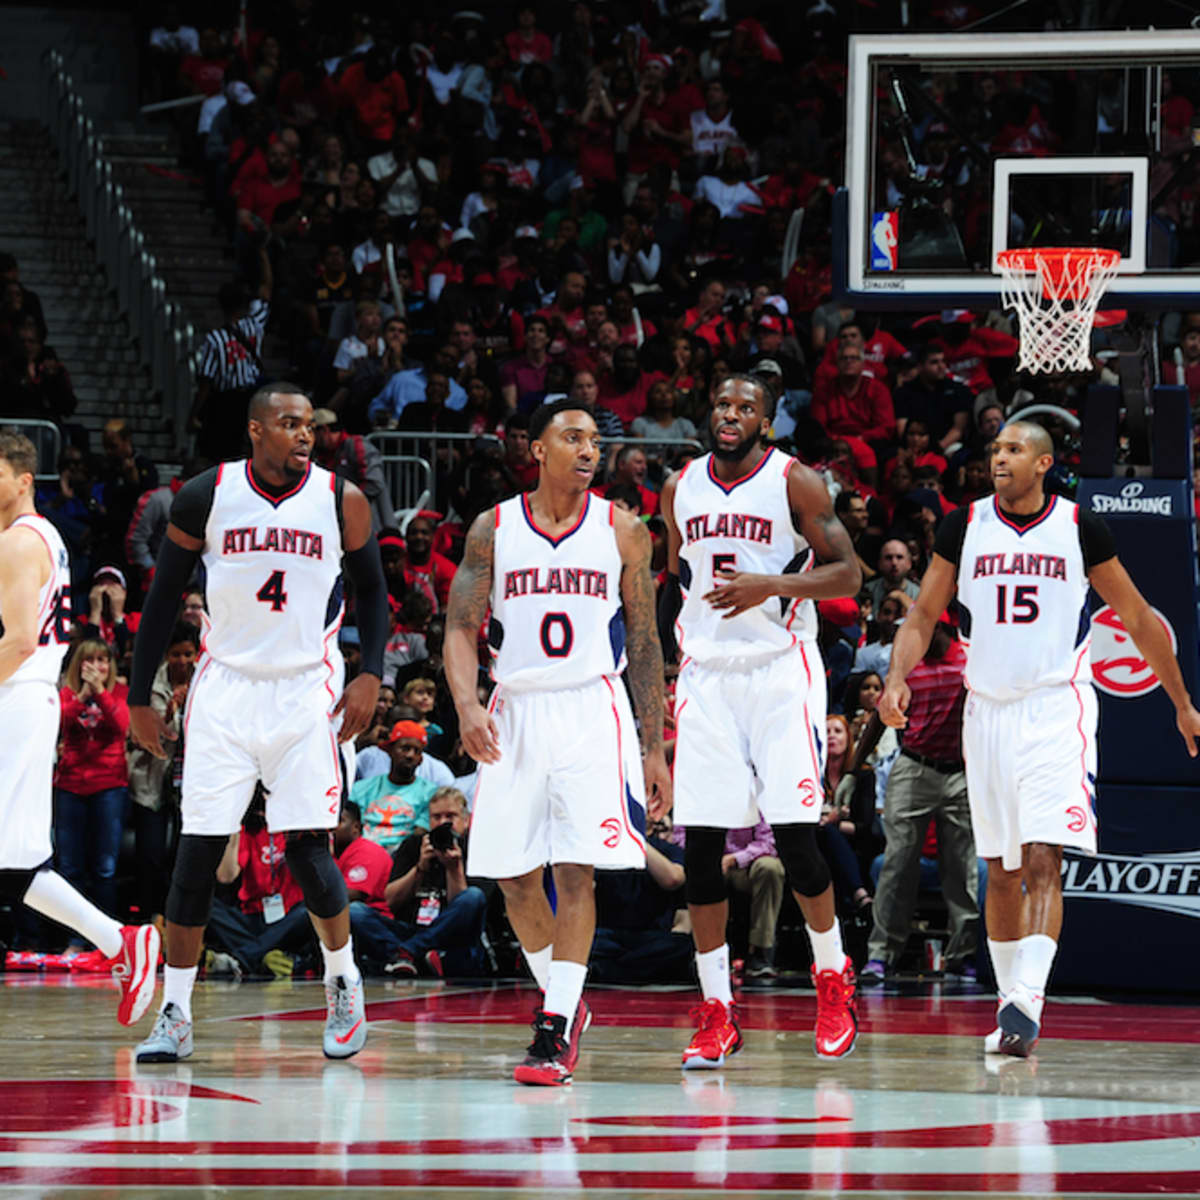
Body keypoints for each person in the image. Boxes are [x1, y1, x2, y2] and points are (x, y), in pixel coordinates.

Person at [879, 420, 1200, 1058]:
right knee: (999, 870)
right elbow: (922, 615)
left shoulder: (1079, 527)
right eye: (996, 449)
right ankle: (1009, 1006)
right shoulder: (964, 526)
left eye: (1014, 449)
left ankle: (1028, 998)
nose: (999, 458)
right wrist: (895, 679)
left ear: (1044, 463)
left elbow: (1137, 617)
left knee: (1043, 856)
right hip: (987, 711)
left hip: (1056, 706)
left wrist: (1183, 703)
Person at [127, 383, 389, 1063]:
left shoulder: (341, 499)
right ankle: (176, 1011)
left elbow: (371, 589)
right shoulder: (206, 494)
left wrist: (371, 672)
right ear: (255, 429)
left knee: (307, 850)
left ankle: (343, 982)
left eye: (310, 427)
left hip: (305, 689)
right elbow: (162, 597)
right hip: (226, 689)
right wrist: (138, 697)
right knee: (195, 854)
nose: (304, 435)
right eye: (290, 424)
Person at [444, 397, 671, 1086]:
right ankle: (564, 1001)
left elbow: (644, 641)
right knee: (513, 879)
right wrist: (466, 703)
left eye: (595, 440)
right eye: (573, 437)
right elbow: (459, 627)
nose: (588, 450)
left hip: (590, 707)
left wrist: (653, 746)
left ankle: (554, 1024)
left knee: (576, 870)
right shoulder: (493, 528)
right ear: (537, 449)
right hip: (515, 709)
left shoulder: (623, 530)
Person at [659, 373, 862, 1068]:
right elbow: (675, 580)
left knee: (798, 840)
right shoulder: (679, 486)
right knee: (700, 847)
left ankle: (832, 978)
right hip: (706, 675)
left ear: (766, 422)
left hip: (779, 670)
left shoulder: (794, 480)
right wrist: (669, 667)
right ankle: (717, 1010)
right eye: (722, 403)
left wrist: (770, 585)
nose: (730, 414)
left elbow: (848, 574)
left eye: (746, 407)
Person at [0, 430, 160, 1026]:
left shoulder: (19, 542)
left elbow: (19, 640)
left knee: (14, 863)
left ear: (24, 480)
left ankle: (121, 940)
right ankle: (122, 942)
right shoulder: (44, 538)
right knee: (14, 865)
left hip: (18, 697)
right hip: (27, 700)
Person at [862, 614, 977, 982]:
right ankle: (881, 954)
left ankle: (962, 954)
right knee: (897, 863)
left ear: (941, 628)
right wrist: (854, 766)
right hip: (914, 764)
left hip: (960, 770)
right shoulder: (907, 666)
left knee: (962, 868)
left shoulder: (969, 660)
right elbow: (880, 714)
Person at [54, 639, 131, 946]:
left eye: (103, 660)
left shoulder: (120, 692)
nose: (97, 667)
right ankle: (74, 938)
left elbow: (122, 725)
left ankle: (106, 939)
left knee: (105, 868)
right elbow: (58, 722)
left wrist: (99, 692)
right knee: (70, 867)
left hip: (109, 787)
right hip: (70, 786)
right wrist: (83, 696)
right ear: (78, 665)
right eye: (90, 660)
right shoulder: (66, 694)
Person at [382, 786, 491, 978]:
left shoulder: (479, 849)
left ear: (466, 820)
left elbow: (467, 912)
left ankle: (408, 954)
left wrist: (454, 868)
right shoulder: (413, 845)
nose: (443, 823)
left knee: (473, 897)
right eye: (436, 817)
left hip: (453, 940)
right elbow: (391, 902)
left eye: (450, 816)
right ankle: (417, 956)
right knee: (358, 914)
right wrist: (419, 868)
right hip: (412, 929)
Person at [349, 719, 438, 848]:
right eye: (405, 748)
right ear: (390, 751)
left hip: (404, 855)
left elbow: (419, 835)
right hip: (362, 850)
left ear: (421, 760)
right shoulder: (361, 788)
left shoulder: (430, 793)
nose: (410, 755)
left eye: (416, 751)